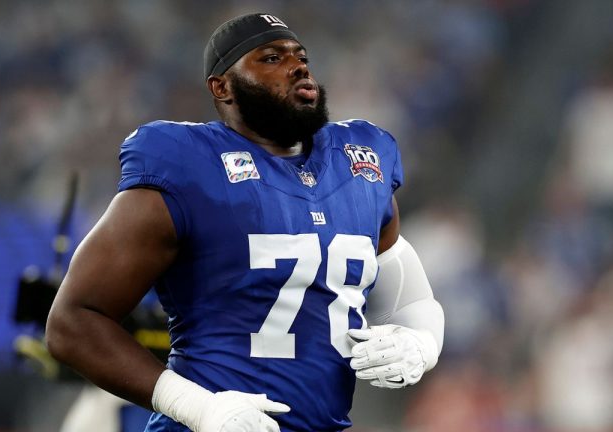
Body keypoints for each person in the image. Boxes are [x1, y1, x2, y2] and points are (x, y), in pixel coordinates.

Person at [45, 12, 444, 432]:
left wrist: (419, 342)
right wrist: (200, 408)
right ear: (223, 87)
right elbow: (72, 322)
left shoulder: (360, 162)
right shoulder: (188, 165)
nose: (297, 66)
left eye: (300, 56)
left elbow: (410, 301)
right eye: (271, 58)